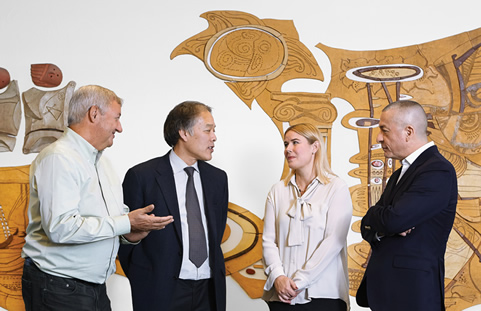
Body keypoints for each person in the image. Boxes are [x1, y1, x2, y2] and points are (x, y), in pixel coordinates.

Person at [21, 85, 174, 311]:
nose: (120, 128)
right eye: (117, 118)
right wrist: (126, 222)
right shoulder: (58, 158)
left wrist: (130, 233)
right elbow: (60, 227)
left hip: (92, 287)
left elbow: (107, 220)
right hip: (59, 288)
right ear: (94, 114)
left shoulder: (103, 162)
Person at [119, 101, 229, 311]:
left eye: (214, 130)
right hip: (159, 290)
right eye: (207, 130)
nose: (214, 137)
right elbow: (126, 238)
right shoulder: (142, 176)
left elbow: (217, 233)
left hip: (209, 289)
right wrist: (143, 277)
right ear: (184, 133)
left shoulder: (218, 179)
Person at [355, 100, 458, 310]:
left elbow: (394, 220)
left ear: (408, 131)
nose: (379, 137)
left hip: (412, 296)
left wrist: (379, 218)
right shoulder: (398, 175)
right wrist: (377, 215)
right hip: (390, 294)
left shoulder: (438, 170)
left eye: (384, 130)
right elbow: (367, 226)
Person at [262, 123, 352, 311]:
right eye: (285, 144)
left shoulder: (336, 187)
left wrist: (299, 281)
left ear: (315, 147)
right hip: (282, 296)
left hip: (324, 295)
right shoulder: (277, 191)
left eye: (295, 142)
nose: (288, 149)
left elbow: (333, 242)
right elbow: (269, 242)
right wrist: (278, 277)